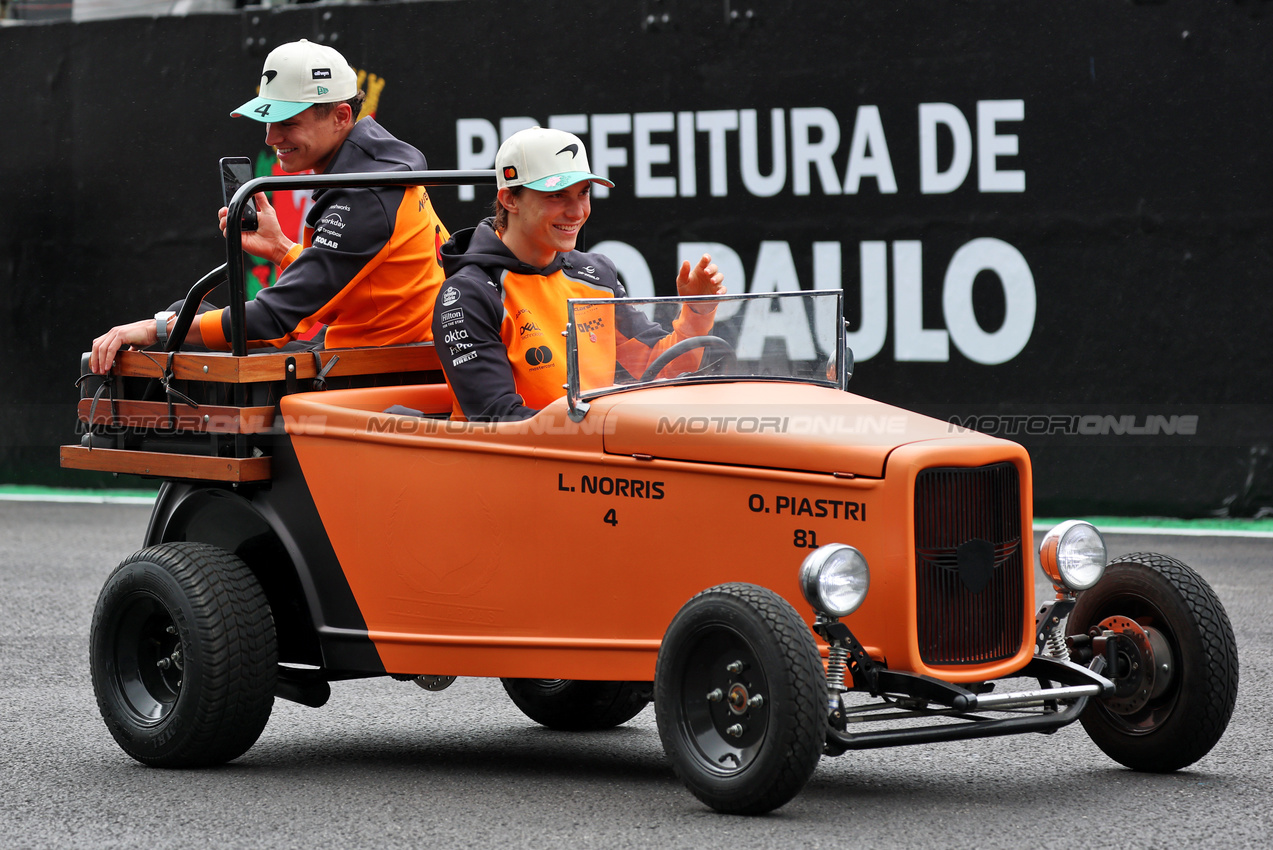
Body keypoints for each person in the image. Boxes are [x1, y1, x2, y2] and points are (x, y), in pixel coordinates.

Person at [90, 39, 449, 374]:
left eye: (288, 124)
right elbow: (353, 289)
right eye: (268, 122)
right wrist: (280, 248)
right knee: (182, 316)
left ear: (341, 116)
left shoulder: (363, 195)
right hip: (376, 353)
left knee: (173, 326)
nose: (271, 138)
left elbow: (276, 320)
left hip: (376, 369)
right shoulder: (374, 172)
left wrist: (155, 329)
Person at [433, 126, 726, 421]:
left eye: (583, 193)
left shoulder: (597, 275)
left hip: (593, 456)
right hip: (518, 463)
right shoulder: (469, 294)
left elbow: (661, 369)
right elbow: (497, 420)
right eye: (557, 195)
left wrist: (698, 310)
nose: (576, 212)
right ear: (510, 200)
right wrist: (601, 431)